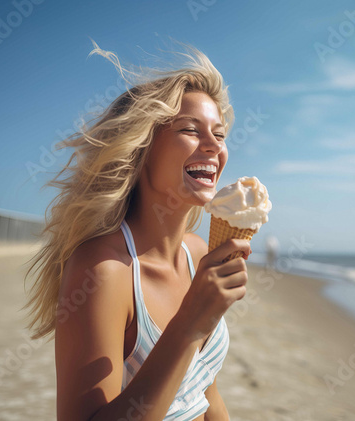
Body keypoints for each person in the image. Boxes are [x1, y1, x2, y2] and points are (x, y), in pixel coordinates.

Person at [23, 41, 251, 421]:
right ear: (142, 146)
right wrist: (191, 323)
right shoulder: (103, 270)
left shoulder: (198, 254)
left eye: (220, 134)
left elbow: (201, 387)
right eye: (191, 130)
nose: (214, 146)